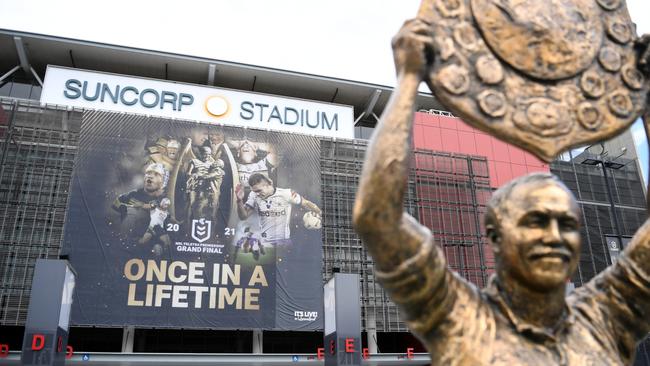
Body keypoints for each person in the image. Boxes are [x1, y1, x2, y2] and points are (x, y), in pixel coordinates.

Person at [352, 19, 650, 365]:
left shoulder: (605, 318)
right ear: (494, 236)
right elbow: (377, 217)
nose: (554, 236)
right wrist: (407, 80)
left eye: (567, 224)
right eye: (536, 221)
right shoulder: (461, 319)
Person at [236, 173, 321, 245]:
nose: (257, 194)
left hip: (283, 242)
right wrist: (239, 201)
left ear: (268, 184)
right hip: (265, 242)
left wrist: (320, 212)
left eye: (259, 190)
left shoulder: (286, 193)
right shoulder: (253, 195)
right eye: (255, 191)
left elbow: (305, 202)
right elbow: (243, 216)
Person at [186, 145, 225, 220]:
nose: (207, 156)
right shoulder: (194, 161)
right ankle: (188, 223)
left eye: (209, 154)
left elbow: (220, 171)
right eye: (205, 154)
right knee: (192, 205)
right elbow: (188, 174)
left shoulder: (212, 163)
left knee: (205, 207)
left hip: (206, 188)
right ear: (201, 153)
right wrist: (193, 175)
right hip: (194, 187)